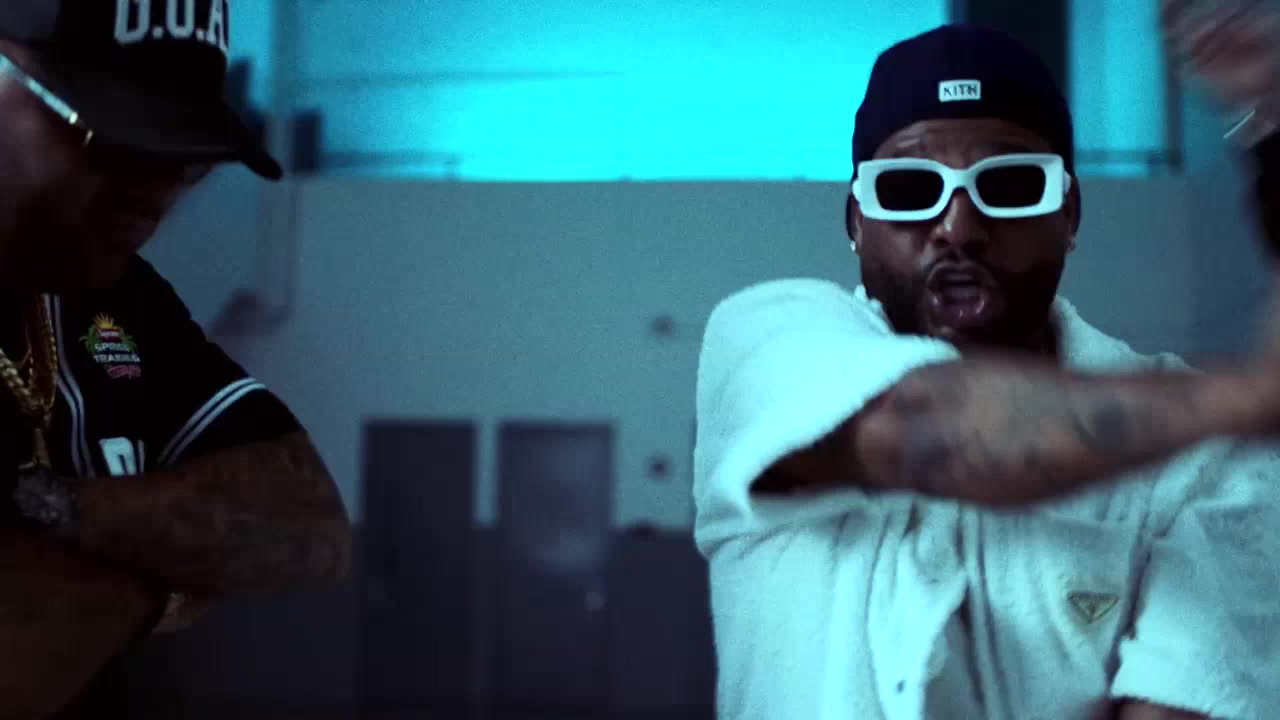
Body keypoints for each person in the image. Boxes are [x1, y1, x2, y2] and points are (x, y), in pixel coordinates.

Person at [694, 3, 1280, 719]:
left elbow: (1187, 700)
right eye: (909, 190)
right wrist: (1254, 396)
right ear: (856, 222)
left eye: (1008, 186)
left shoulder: (1209, 458)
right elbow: (923, 432)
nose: (958, 227)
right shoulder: (764, 348)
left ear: (1068, 216)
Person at [0, 1, 353, 717]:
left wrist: (65, 521)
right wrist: (170, 560)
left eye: (185, 158)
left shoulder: (106, 295)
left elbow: (310, 521)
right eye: (119, 141)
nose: (155, 195)